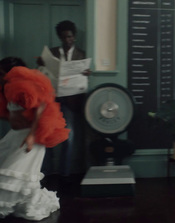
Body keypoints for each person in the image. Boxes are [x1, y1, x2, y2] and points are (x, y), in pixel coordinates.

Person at [0, 57, 69, 221]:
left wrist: (31, 135)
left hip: (29, 138)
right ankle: (18, 204)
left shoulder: (24, 86)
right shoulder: (9, 88)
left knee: (14, 171)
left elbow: (41, 105)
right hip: (15, 136)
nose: (1, 76)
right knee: (10, 170)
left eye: (2, 72)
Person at [38, 20, 90, 176]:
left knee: (69, 136)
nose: (68, 40)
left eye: (70, 37)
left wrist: (87, 73)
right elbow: (41, 73)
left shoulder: (81, 54)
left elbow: (84, 76)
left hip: (70, 101)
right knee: (47, 135)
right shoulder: (52, 53)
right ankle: (46, 171)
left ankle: (65, 174)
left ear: (74, 36)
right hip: (52, 99)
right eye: (64, 37)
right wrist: (41, 64)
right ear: (60, 37)